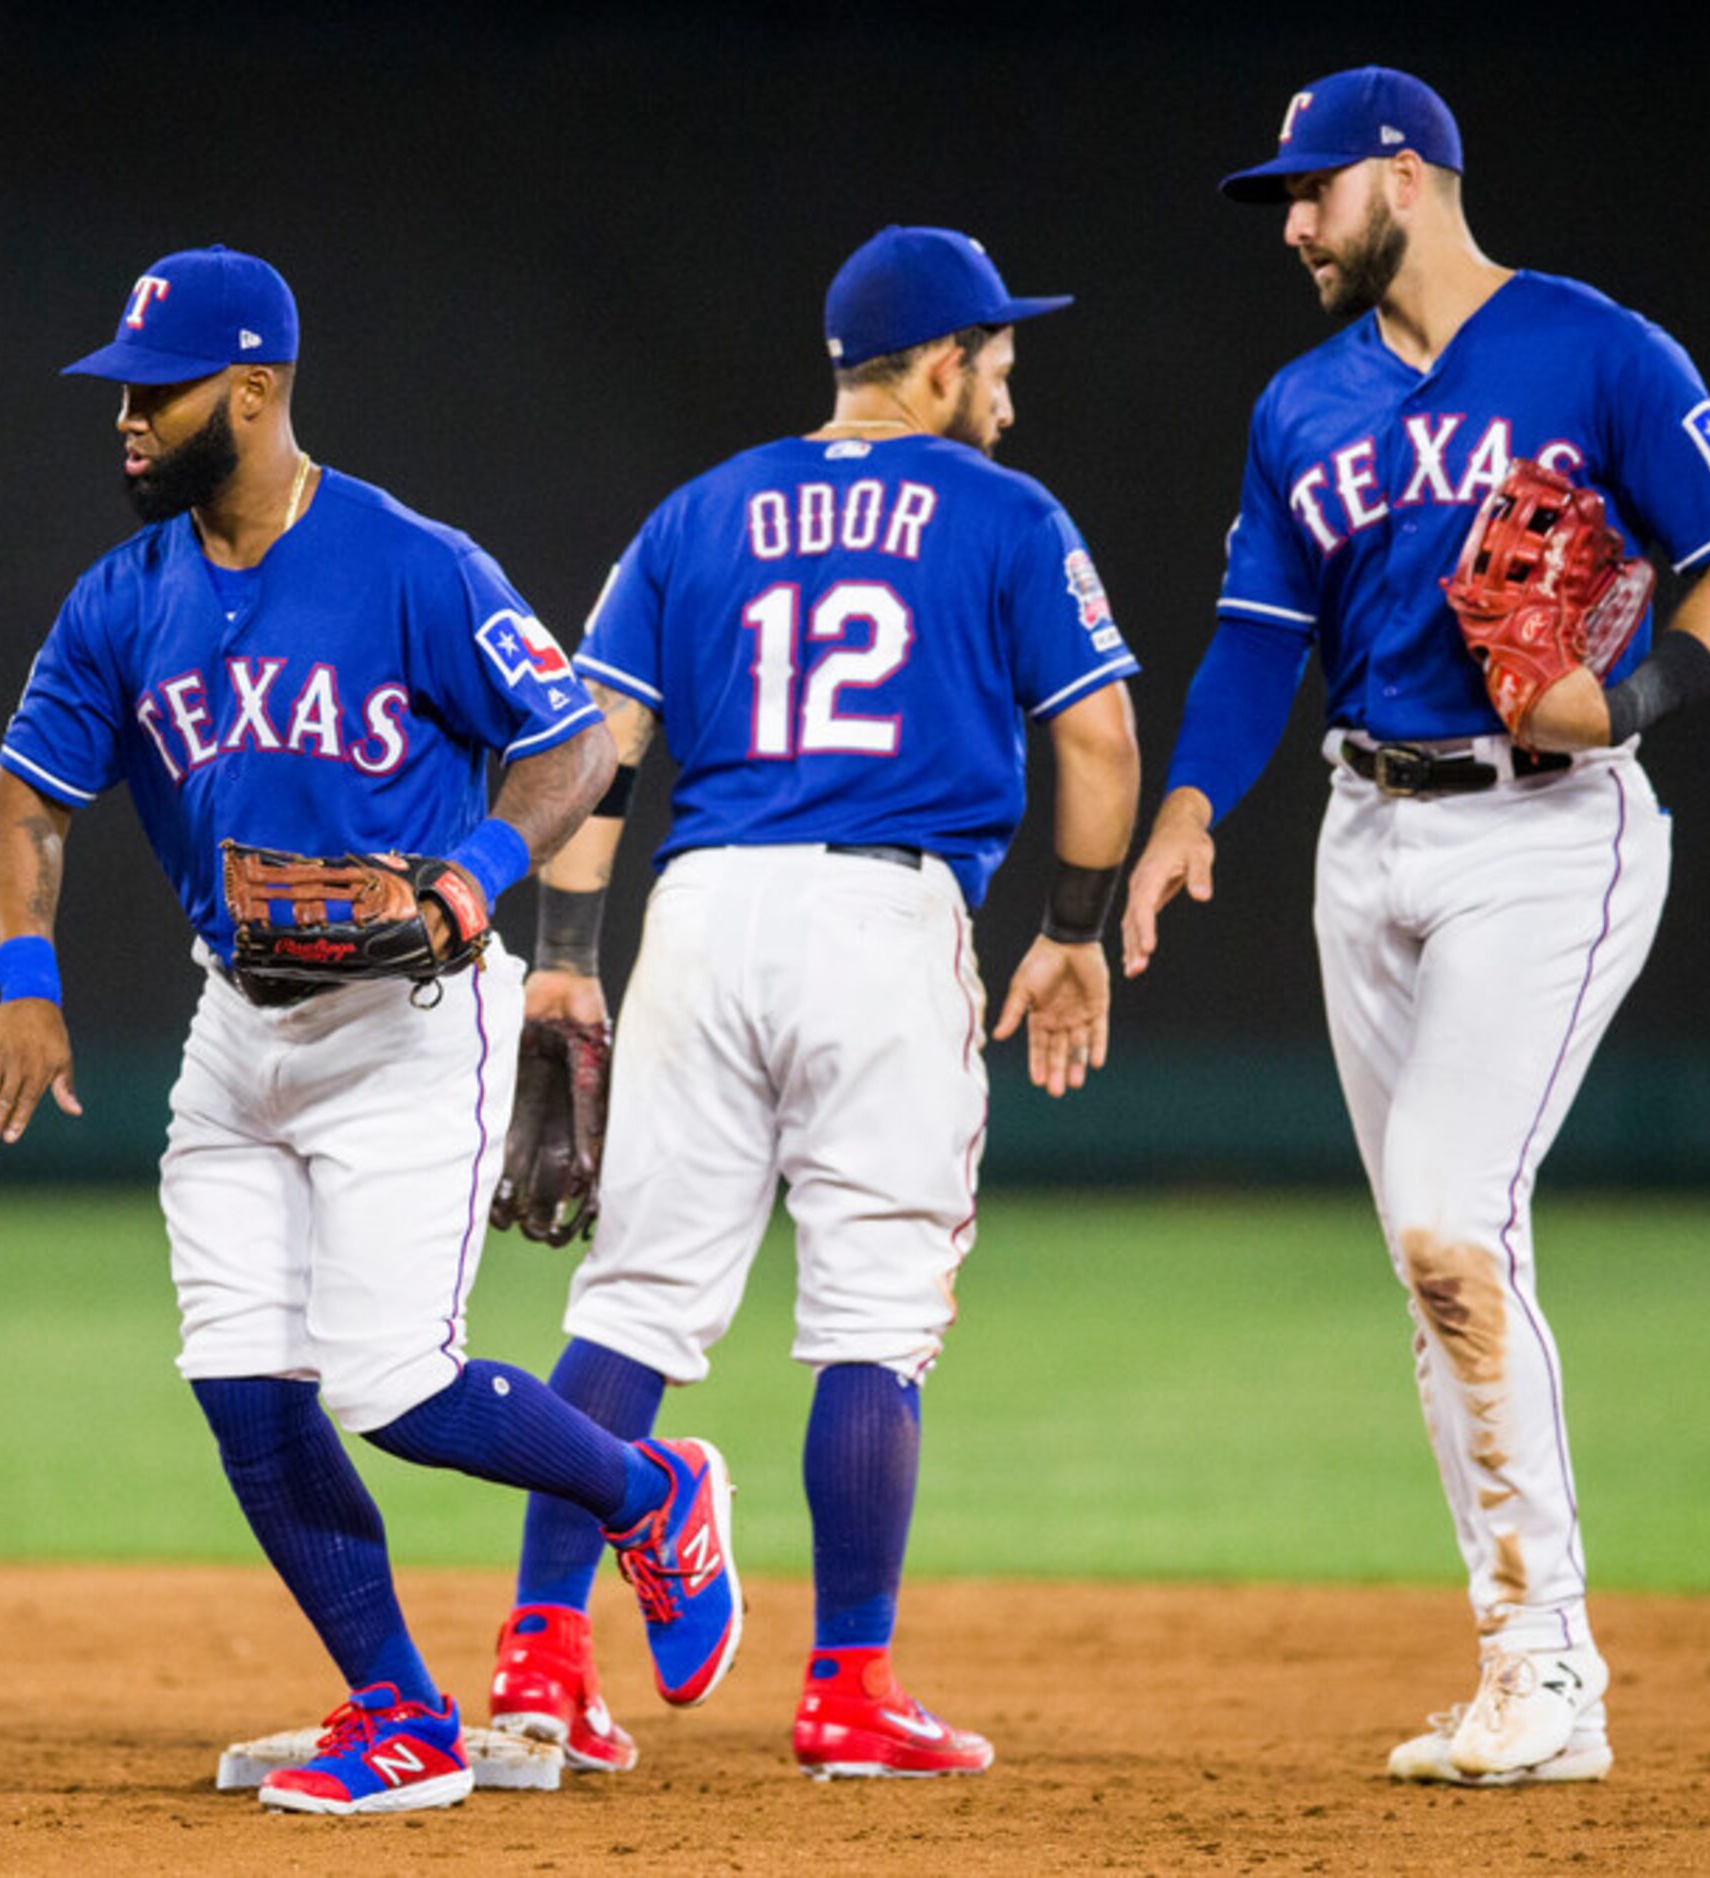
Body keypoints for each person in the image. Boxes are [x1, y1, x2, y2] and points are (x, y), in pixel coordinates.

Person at [0, 245, 742, 1817]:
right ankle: (401, 1707)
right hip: (233, 1028)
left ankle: (653, 1490)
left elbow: (571, 744)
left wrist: (475, 876)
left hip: (408, 1019)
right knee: (241, 1374)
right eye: (117, 389)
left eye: (153, 390)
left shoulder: (409, 563)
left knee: (392, 1383)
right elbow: (21, 802)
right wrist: (28, 982)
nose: (124, 417)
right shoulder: (125, 595)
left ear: (253, 389)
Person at [1122, 69, 1710, 1786]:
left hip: (1547, 832)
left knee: (1445, 1227)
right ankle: (1521, 1666)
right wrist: (1188, 814)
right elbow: (1260, 637)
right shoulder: (1300, 406)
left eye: (1311, 190)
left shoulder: (1594, 348)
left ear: (1405, 178)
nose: (1289, 223)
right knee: (1444, 1272)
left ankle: (1553, 1668)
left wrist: (1627, 699)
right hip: (1369, 837)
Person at [482, 226, 1142, 1780]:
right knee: (873, 1314)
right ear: (934, 366)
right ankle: (848, 1688)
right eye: (994, 359)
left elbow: (589, 751)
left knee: (631, 1300)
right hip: (882, 916)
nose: (1007, 390)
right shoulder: (1005, 511)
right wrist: (1071, 928)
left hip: (704, 913)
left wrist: (567, 951)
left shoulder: (696, 511)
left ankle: (539, 1660)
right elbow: (1099, 741)